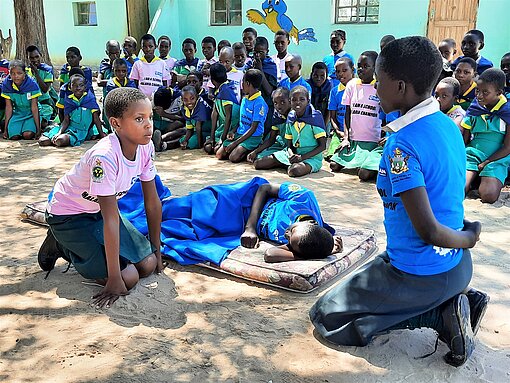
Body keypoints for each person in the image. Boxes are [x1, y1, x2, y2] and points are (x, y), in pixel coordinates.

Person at [310, 36, 487, 368]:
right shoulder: (448, 125)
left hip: (422, 273)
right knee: (355, 290)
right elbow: (446, 193)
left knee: (326, 318)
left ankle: (440, 316)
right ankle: (455, 298)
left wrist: (469, 238)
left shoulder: (401, 146)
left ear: (402, 87)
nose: (375, 88)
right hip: (455, 265)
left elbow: (430, 232)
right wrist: (462, 242)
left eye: (381, 81)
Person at [37, 87, 162, 308]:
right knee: (128, 278)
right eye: (139, 119)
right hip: (69, 216)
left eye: (150, 117)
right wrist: (114, 278)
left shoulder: (146, 146)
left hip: (98, 213)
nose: (148, 125)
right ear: (115, 123)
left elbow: (152, 202)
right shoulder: (104, 156)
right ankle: (59, 243)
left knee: (148, 264)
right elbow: (111, 218)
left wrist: (157, 251)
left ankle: (95, 251)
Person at [240, 181, 340, 262]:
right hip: (247, 199)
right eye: (292, 231)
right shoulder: (303, 198)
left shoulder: (298, 243)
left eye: (289, 240)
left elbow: (270, 254)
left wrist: (315, 255)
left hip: (238, 224)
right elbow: (265, 188)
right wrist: (250, 228)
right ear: (312, 223)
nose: (286, 234)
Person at [330, 51, 383, 181]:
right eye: (359, 66)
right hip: (354, 142)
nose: (361, 69)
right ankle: (361, 161)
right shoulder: (352, 85)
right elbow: (348, 113)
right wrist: (346, 138)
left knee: (363, 174)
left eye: (366, 66)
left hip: (373, 143)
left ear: (375, 68)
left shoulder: (380, 87)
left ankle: (375, 165)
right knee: (333, 165)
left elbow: (385, 116)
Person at [254, 86, 326, 177]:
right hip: (294, 154)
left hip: (311, 157)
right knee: (258, 163)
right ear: (290, 101)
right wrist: (292, 155)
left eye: (302, 99)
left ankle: (291, 165)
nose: (298, 102)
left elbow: (322, 146)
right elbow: (289, 145)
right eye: (294, 100)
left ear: (308, 101)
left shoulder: (315, 117)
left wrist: (301, 158)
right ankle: (287, 163)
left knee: (294, 171)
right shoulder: (291, 117)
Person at [463, 68, 510, 204]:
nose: (479, 95)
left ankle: (481, 179)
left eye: (485, 92)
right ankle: (472, 178)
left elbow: (507, 147)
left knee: (488, 196)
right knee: (458, 189)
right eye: (477, 90)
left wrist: (486, 162)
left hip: (497, 158)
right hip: (473, 154)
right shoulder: (475, 108)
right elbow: (465, 138)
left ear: (499, 93)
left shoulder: (507, 111)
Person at [216, 69, 267, 163]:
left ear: (247, 83)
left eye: (242, 82)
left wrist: (235, 143)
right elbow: (241, 121)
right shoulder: (244, 99)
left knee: (233, 157)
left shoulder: (260, 103)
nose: (241, 84)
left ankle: (254, 148)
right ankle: (241, 149)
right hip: (240, 134)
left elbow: (253, 128)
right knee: (219, 154)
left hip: (253, 137)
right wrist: (233, 131)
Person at [39, 74, 105, 147]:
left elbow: (96, 118)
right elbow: (66, 120)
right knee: (42, 141)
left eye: (81, 85)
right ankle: (56, 137)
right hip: (69, 127)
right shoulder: (68, 100)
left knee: (60, 140)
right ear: (70, 87)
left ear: (85, 87)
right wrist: (59, 132)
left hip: (81, 131)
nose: (78, 88)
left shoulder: (90, 99)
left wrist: (101, 134)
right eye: (74, 85)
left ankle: (59, 139)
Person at [248, 87, 291, 165]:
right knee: (259, 157)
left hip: (293, 148)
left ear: (290, 101)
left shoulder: (295, 116)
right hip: (283, 146)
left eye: (282, 102)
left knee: (259, 164)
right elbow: (271, 139)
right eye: (275, 103)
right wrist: (255, 151)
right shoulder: (277, 117)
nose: (279, 106)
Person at [204, 63, 240, 155]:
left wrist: (222, 139)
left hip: (233, 128)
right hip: (223, 127)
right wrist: (212, 137)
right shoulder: (220, 90)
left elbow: (228, 117)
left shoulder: (226, 91)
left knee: (217, 151)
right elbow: (214, 114)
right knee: (208, 147)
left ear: (212, 80)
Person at [1, 60, 41, 140]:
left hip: (30, 113)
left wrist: (38, 129)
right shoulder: (7, 85)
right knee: (14, 136)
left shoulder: (32, 84)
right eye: (13, 73)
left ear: (24, 73)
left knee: (27, 135)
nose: (16, 76)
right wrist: (5, 130)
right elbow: (9, 108)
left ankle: (33, 127)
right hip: (18, 113)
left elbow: (34, 107)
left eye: (19, 73)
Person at [325, 57, 354, 160]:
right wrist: (338, 131)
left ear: (353, 70)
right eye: (338, 71)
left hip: (356, 133)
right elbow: (332, 117)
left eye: (344, 70)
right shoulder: (334, 92)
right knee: (332, 157)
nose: (341, 74)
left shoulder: (359, 89)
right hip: (340, 132)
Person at [129, 34, 170, 99]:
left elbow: (165, 83)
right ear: (141, 47)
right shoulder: (137, 64)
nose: (148, 49)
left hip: (158, 100)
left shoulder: (162, 63)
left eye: (150, 46)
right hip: (142, 100)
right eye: (145, 47)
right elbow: (135, 83)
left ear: (155, 47)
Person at [26, 45, 56, 126]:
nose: (35, 60)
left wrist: (36, 73)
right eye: (31, 58)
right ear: (27, 58)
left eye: (37, 56)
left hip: (44, 104)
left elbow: (45, 89)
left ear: (41, 55)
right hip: (29, 104)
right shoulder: (25, 71)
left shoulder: (47, 70)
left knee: (41, 123)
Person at [177, 85, 212, 150]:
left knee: (191, 142)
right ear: (182, 100)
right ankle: (164, 145)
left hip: (207, 131)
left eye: (192, 98)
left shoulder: (201, 105)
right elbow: (189, 128)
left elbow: (199, 127)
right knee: (182, 140)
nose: (189, 102)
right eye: (185, 100)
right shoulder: (184, 108)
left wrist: (199, 145)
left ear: (197, 97)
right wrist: (185, 141)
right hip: (196, 131)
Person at [151, 86, 185, 151]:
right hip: (158, 124)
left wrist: (164, 114)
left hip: (170, 126)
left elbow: (184, 119)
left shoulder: (180, 98)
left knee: (179, 125)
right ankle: (155, 139)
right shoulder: (155, 96)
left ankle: (160, 139)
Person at [307, 62, 332, 126]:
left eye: (322, 76)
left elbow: (329, 109)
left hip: (324, 119)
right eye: (315, 75)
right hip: (307, 120)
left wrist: (324, 126)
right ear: (311, 74)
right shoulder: (307, 86)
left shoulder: (329, 87)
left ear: (326, 76)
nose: (318, 78)